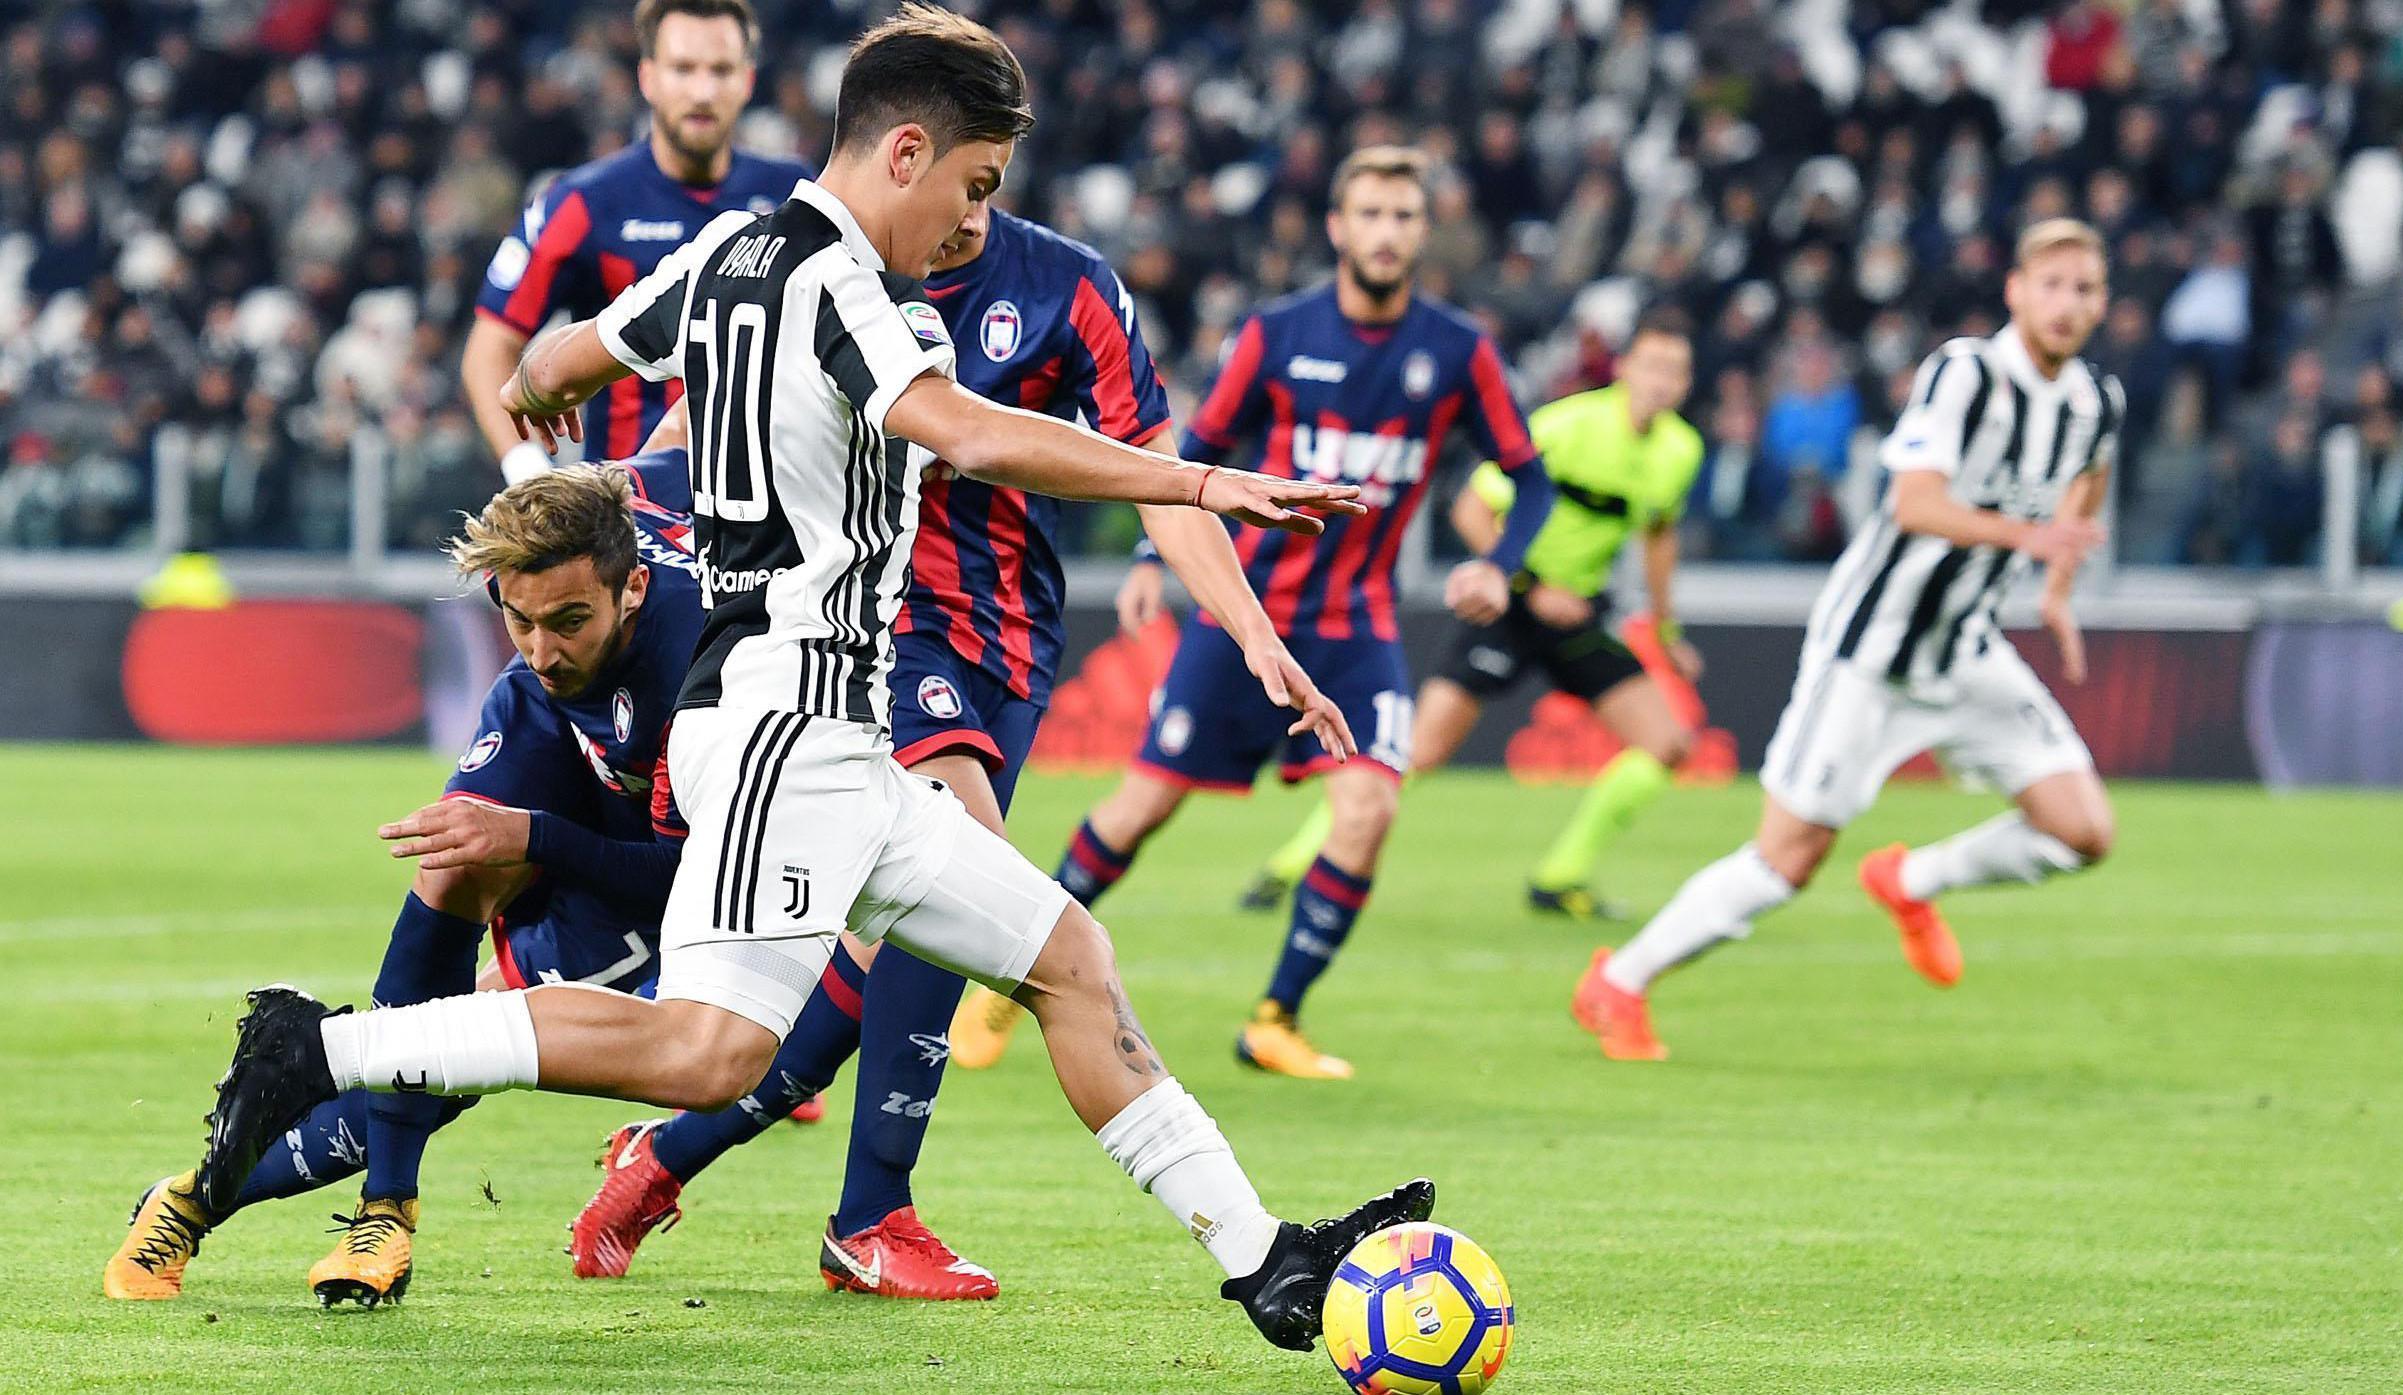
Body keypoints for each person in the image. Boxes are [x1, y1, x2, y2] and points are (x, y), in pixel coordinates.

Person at [187, 6, 1429, 1355]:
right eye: (970, 183)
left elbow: (558, 357)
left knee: (1071, 959)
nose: (971, 220)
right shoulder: (839, 281)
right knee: (708, 1051)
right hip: (785, 718)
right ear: (904, 150)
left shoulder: (728, 249)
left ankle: (1268, 1264)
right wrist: (1193, 478)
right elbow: (958, 427)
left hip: (839, 731)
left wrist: (550, 428)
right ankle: (321, 1051)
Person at [563, 196, 1353, 1299]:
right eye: (958, 177)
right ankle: (872, 1212)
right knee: (978, 900)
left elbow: (1155, 472)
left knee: (905, 933)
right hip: (869, 636)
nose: (966, 206)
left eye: (987, 182)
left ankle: (676, 1155)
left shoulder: (1068, 287)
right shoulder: (824, 263)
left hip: (1010, 642)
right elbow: (708, 426)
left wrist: (1256, 641)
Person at [949, 145, 1554, 1083]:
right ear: (1338, 227)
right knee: (1141, 807)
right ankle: (1000, 989)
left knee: (1368, 808)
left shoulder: (1458, 350)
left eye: (1404, 216)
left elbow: (1530, 476)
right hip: (1243, 618)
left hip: (1359, 626)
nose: (1387, 232)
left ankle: (1275, 1018)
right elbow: (1186, 449)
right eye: (1371, 214)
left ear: (1423, 232)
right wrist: (1157, 552)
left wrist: (1500, 564)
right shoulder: (1277, 335)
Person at [107, 445, 702, 1304]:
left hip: (656, 853)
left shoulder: (708, 666)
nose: (539, 647)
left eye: (567, 620)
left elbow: (690, 881)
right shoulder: (596, 560)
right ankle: (385, 1208)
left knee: (475, 1045)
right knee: (452, 859)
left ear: (632, 589)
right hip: (575, 754)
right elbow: (663, 433)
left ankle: (195, 1198)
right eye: (517, 618)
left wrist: (532, 833)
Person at [1571, 218, 2119, 1062]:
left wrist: (2057, 589)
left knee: (2083, 830)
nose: (2066, 303)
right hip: (1871, 647)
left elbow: (2091, 474)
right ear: (2015, 290)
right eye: (2050, 283)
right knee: (1786, 859)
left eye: (2084, 288)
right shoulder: (1966, 372)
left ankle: (1910, 879)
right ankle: (1622, 979)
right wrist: (2028, 538)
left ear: (2101, 303)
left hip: (1963, 647)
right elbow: (1914, 504)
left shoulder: (2093, 402)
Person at [1235, 314, 1708, 922]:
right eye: (1652, 365)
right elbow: (1473, 507)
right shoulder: (1567, 425)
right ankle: (1289, 867)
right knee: (1416, 752)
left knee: (1667, 742)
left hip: (1578, 616)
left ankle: (1561, 877)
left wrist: (1667, 632)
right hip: (1509, 605)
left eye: (1676, 371)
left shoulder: (1681, 451)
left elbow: (1659, 537)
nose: (1662, 381)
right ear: (1624, 369)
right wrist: (1529, 588)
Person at [464, 0, 807, 483]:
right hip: (631, 518)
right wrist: (528, 472)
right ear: (647, 76)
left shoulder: (796, 195)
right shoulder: (585, 202)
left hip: (775, 510)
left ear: (748, 80)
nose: (703, 91)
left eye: (721, 70)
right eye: (683, 69)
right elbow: (490, 346)